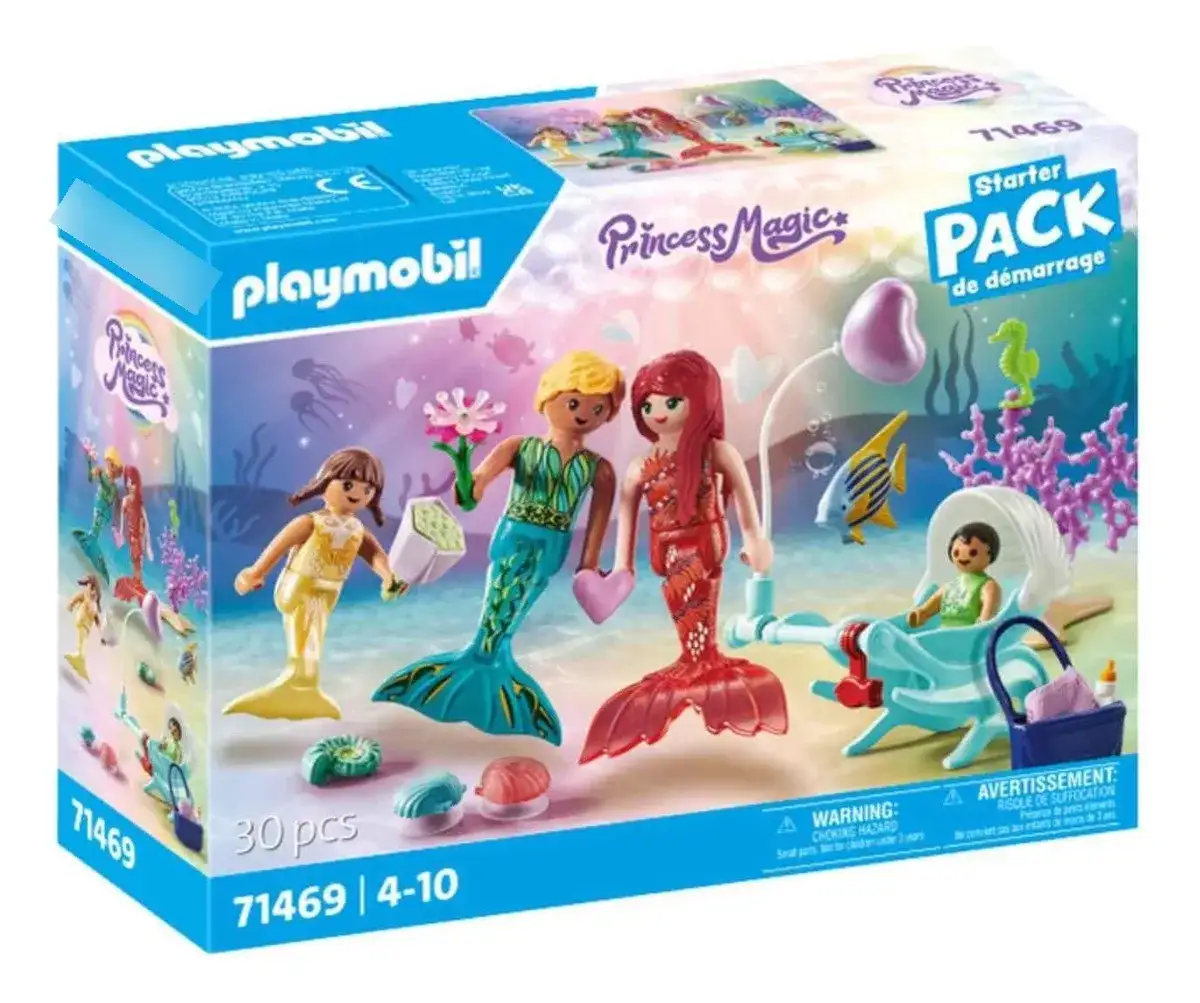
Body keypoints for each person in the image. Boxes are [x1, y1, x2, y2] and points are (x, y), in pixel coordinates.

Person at [374, 350, 624, 745]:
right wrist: (462, 467)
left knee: (517, 607)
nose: (582, 414)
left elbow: (597, 521)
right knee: (498, 604)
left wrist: (588, 565)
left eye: (597, 408)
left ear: (607, 415)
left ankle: (489, 666)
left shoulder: (599, 469)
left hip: (552, 546)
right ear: (549, 398)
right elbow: (469, 496)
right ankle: (483, 662)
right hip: (513, 534)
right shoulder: (518, 447)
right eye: (574, 402)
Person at [579, 350, 787, 763]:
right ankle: (696, 663)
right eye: (648, 405)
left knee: (699, 608)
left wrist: (755, 540)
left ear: (699, 400)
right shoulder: (639, 466)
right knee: (679, 607)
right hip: (666, 549)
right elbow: (626, 518)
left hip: (704, 543)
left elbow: (745, 503)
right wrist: (621, 568)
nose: (658, 412)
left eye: (672, 401)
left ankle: (703, 662)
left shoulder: (715, 452)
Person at [223, 447, 401, 720]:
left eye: (368, 489)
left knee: (313, 638)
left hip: (328, 592)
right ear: (325, 482)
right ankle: (298, 685)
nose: (358, 493)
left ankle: (303, 688)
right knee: (305, 636)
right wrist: (256, 572)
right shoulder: (311, 522)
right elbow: (279, 546)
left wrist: (388, 576)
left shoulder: (357, 530)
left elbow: (376, 555)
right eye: (348, 484)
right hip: (299, 587)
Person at [907, 522, 1002, 628]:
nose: (963, 557)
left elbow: (988, 614)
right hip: (944, 632)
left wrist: (981, 625)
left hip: (969, 634)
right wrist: (920, 614)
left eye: (973, 553)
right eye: (956, 553)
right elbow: (927, 609)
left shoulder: (988, 586)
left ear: (990, 553)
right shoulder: (949, 587)